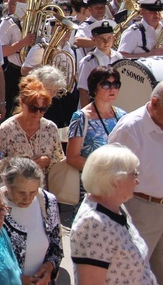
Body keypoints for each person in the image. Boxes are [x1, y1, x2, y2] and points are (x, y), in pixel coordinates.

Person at [70, 144, 156, 284]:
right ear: (117, 181)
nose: (137, 181)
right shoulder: (93, 224)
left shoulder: (116, 207)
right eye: (134, 174)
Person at [108, 81, 163, 282]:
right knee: (131, 273)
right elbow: (111, 176)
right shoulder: (130, 128)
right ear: (155, 103)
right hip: (139, 208)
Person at [0, 157, 63, 285]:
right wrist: (16, 279)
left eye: (33, 192)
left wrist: (49, 267)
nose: (27, 198)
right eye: (21, 192)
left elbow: (56, 246)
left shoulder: (47, 201)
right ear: (7, 185)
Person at [0, 77, 65, 182]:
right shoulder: (7, 128)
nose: (38, 114)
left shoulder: (50, 128)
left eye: (43, 109)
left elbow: (60, 161)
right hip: (14, 188)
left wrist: (48, 161)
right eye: (33, 109)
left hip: (43, 190)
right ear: (21, 103)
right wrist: (20, 163)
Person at [67, 66, 125, 175]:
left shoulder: (122, 116)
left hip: (117, 181)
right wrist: (104, 171)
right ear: (94, 88)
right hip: (91, 182)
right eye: (106, 84)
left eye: (116, 85)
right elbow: (72, 158)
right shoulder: (81, 117)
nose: (112, 89)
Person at [77, 20, 123, 107]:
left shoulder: (119, 57)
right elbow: (84, 91)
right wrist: (87, 116)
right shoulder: (88, 61)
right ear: (94, 39)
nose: (106, 42)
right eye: (101, 38)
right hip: (94, 106)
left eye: (109, 38)